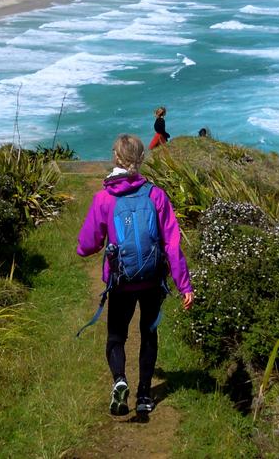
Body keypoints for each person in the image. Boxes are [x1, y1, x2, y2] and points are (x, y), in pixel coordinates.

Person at [77, 134, 194, 416]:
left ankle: (120, 380)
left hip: (121, 283)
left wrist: (86, 249)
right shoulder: (156, 195)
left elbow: (88, 244)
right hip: (153, 280)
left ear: (116, 158)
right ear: (141, 159)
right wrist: (184, 285)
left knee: (116, 337)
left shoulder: (104, 198)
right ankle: (144, 396)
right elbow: (173, 243)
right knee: (148, 335)